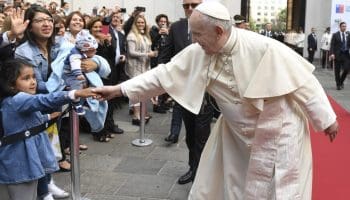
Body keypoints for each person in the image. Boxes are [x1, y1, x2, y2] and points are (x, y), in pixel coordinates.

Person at [93, 1, 338, 199]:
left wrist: (326, 119)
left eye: (198, 34)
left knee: (280, 188)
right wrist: (118, 90)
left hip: (278, 128)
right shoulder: (200, 51)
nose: (194, 39)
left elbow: (304, 83)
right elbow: (162, 75)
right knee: (233, 185)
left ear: (219, 31)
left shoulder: (264, 47)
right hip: (236, 135)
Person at [0, 58, 95, 200]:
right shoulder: (18, 100)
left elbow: (24, 122)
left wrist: (48, 117)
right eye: (26, 78)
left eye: (33, 77)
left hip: (17, 164)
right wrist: (74, 94)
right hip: (20, 164)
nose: (33, 81)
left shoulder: (16, 101)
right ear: (11, 85)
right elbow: (42, 100)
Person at [158, 0, 214, 186]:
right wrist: (160, 86)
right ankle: (193, 167)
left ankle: (201, 174)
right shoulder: (177, 28)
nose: (190, 8)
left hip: (207, 96)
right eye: (186, 5)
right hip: (184, 94)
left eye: (194, 4)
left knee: (202, 136)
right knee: (190, 135)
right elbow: (165, 58)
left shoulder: (213, 25)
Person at [125, 14, 157, 125]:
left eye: (142, 22)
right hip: (135, 68)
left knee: (143, 90)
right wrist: (148, 54)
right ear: (135, 23)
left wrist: (151, 54)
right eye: (138, 22)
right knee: (136, 91)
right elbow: (131, 52)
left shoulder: (145, 35)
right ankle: (136, 115)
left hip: (145, 67)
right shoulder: (131, 36)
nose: (140, 24)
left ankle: (143, 112)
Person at [62, 29, 98, 115]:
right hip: (70, 75)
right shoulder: (75, 55)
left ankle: (85, 100)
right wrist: (78, 74)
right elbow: (75, 64)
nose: (95, 51)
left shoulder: (80, 52)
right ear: (85, 49)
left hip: (76, 74)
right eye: (93, 50)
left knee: (86, 83)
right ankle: (76, 104)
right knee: (76, 86)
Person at [330, 22, 349, 90]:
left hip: (346, 55)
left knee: (346, 69)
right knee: (337, 71)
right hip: (338, 55)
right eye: (343, 26)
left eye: (345, 26)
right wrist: (332, 53)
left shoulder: (348, 34)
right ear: (340, 27)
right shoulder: (335, 35)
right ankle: (338, 84)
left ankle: (341, 81)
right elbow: (332, 45)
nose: (344, 27)